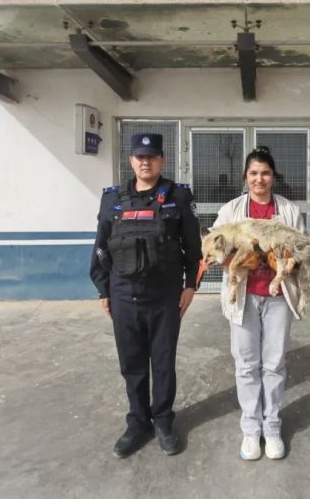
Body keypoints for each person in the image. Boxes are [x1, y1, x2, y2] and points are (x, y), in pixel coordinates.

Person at [90, 133, 202, 459]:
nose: (145, 162)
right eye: (140, 157)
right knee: (132, 364)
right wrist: (102, 289)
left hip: (165, 297)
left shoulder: (178, 197)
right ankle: (138, 422)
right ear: (131, 161)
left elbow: (194, 248)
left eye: (151, 157)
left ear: (162, 161)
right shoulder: (112, 199)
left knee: (163, 363)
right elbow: (100, 247)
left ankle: (163, 421)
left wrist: (190, 286)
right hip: (123, 295)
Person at [211, 146, 307, 461]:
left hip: (278, 298)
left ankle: (272, 427)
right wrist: (237, 260)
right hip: (244, 297)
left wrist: (288, 261)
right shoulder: (231, 211)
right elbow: (214, 249)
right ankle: (251, 429)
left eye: (265, 173)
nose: (259, 179)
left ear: (273, 177)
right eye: (253, 173)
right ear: (245, 177)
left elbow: (303, 249)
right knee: (246, 364)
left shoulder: (288, 211)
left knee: (274, 363)